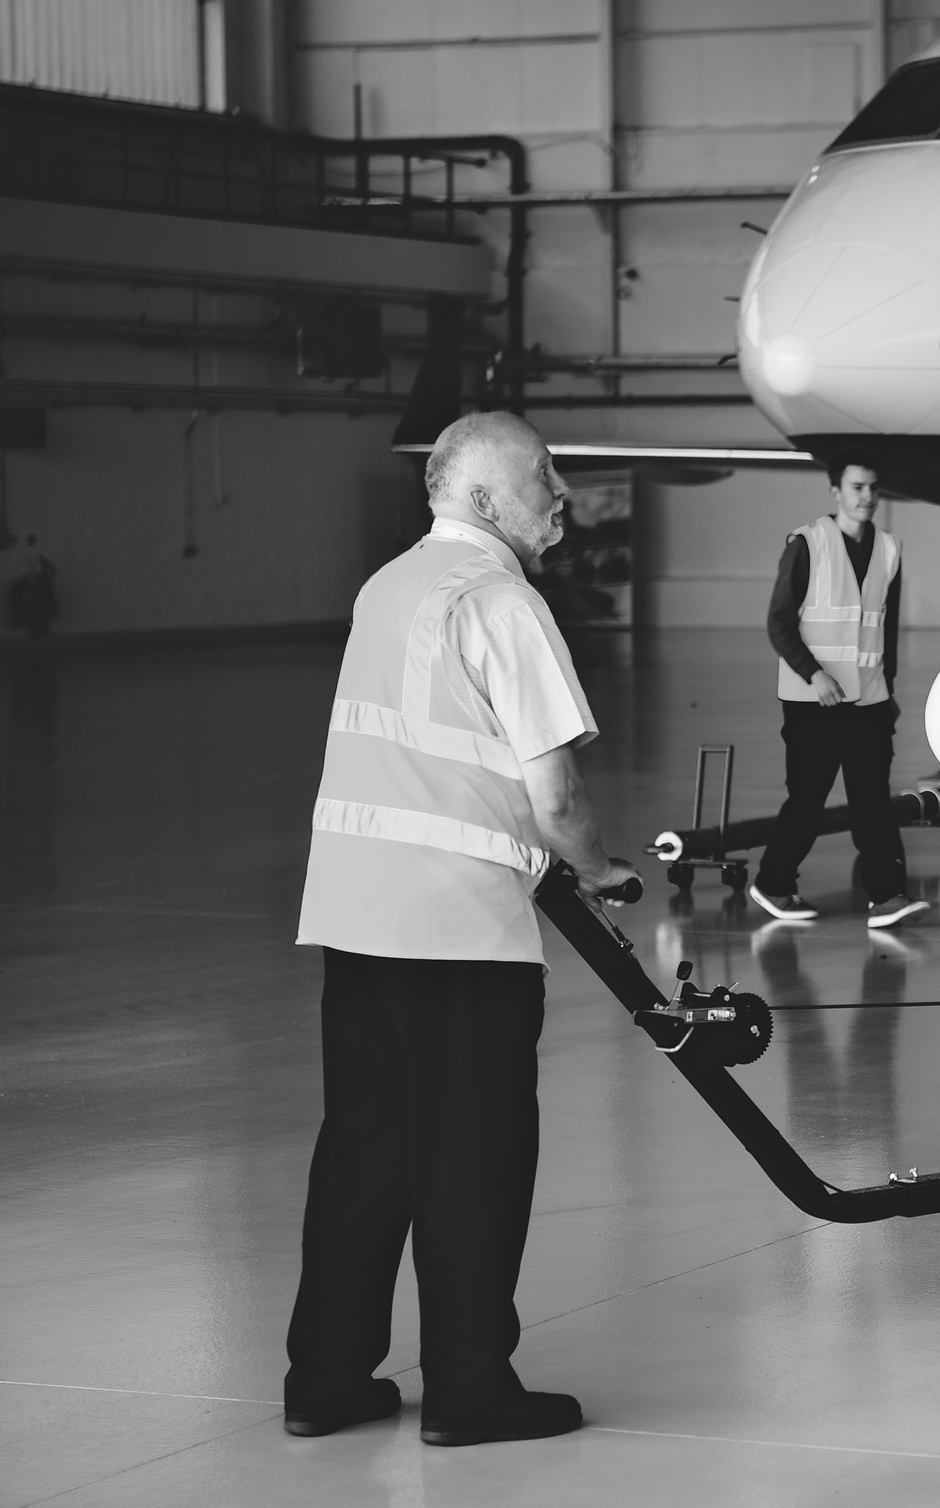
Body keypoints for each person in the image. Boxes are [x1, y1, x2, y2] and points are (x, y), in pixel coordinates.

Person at [285, 411, 635, 1446]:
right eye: (542, 477)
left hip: (356, 917)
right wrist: (601, 867)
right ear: (484, 499)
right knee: (471, 1160)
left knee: (362, 1154)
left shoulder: (388, 586)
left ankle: (327, 1379)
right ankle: (471, 1388)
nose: (561, 494)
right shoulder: (499, 599)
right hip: (459, 930)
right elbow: (556, 793)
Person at [751, 458, 931, 928]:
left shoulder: (890, 549)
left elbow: (884, 631)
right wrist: (814, 674)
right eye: (856, 487)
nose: (866, 496)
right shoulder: (808, 544)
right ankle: (773, 885)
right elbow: (780, 623)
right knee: (808, 801)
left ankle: (887, 897)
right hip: (814, 702)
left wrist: (886, 692)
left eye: (873, 487)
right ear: (835, 491)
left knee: (873, 801)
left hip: (869, 702)